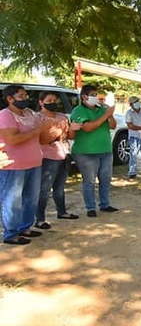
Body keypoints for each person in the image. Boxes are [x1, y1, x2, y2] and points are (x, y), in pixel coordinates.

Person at [0, 85, 44, 245]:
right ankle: (11, 234)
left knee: (31, 198)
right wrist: (36, 131)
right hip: (13, 165)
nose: (25, 98)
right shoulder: (5, 115)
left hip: (34, 162)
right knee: (12, 200)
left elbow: (42, 134)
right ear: (10, 99)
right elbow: (13, 139)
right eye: (21, 96)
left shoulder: (30, 113)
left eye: (26, 95)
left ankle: (25, 227)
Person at [70, 85, 119, 217]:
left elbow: (113, 126)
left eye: (96, 94)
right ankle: (90, 207)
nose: (95, 97)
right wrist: (106, 115)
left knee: (105, 179)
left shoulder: (102, 109)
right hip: (86, 152)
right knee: (89, 180)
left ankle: (105, 204)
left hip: (105, 150)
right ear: (84, 96)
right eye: (93, 94)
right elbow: (87, 128)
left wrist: (110, 115)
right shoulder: (78, 111)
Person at [36, 92, 82, 229]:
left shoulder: (62, 117)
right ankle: (39, 219)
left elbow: (70, 136)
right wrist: (55, 133)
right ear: (41, 102)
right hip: (47, 157)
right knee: (44, 189)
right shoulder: (38, 118)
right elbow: (40, 139)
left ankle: (62, 212)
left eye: (55, 100)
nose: (53, 102)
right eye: (49, 100)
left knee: (60, 186)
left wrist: (74, 129)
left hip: (64, 154)